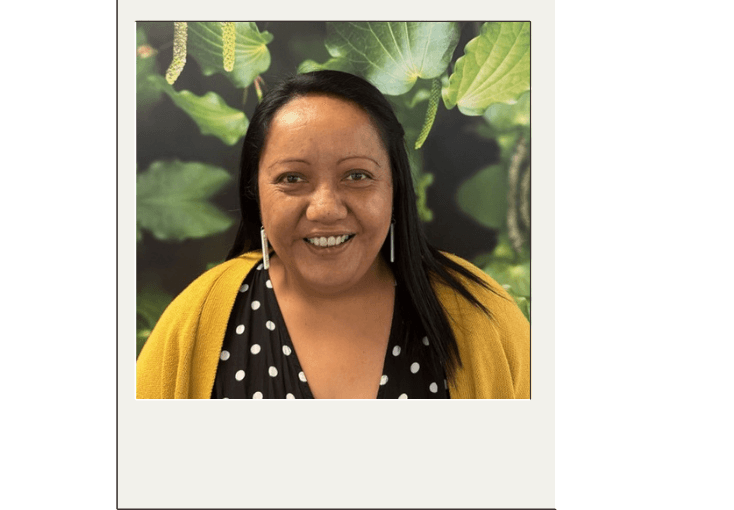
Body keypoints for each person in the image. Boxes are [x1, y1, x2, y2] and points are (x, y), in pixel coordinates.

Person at [137, 70, 530, 399]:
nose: (325, 208)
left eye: (357, 175)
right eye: (292, 178)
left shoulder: (485, 318)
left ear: (395, 188)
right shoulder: (196, 323)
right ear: (255, 193)